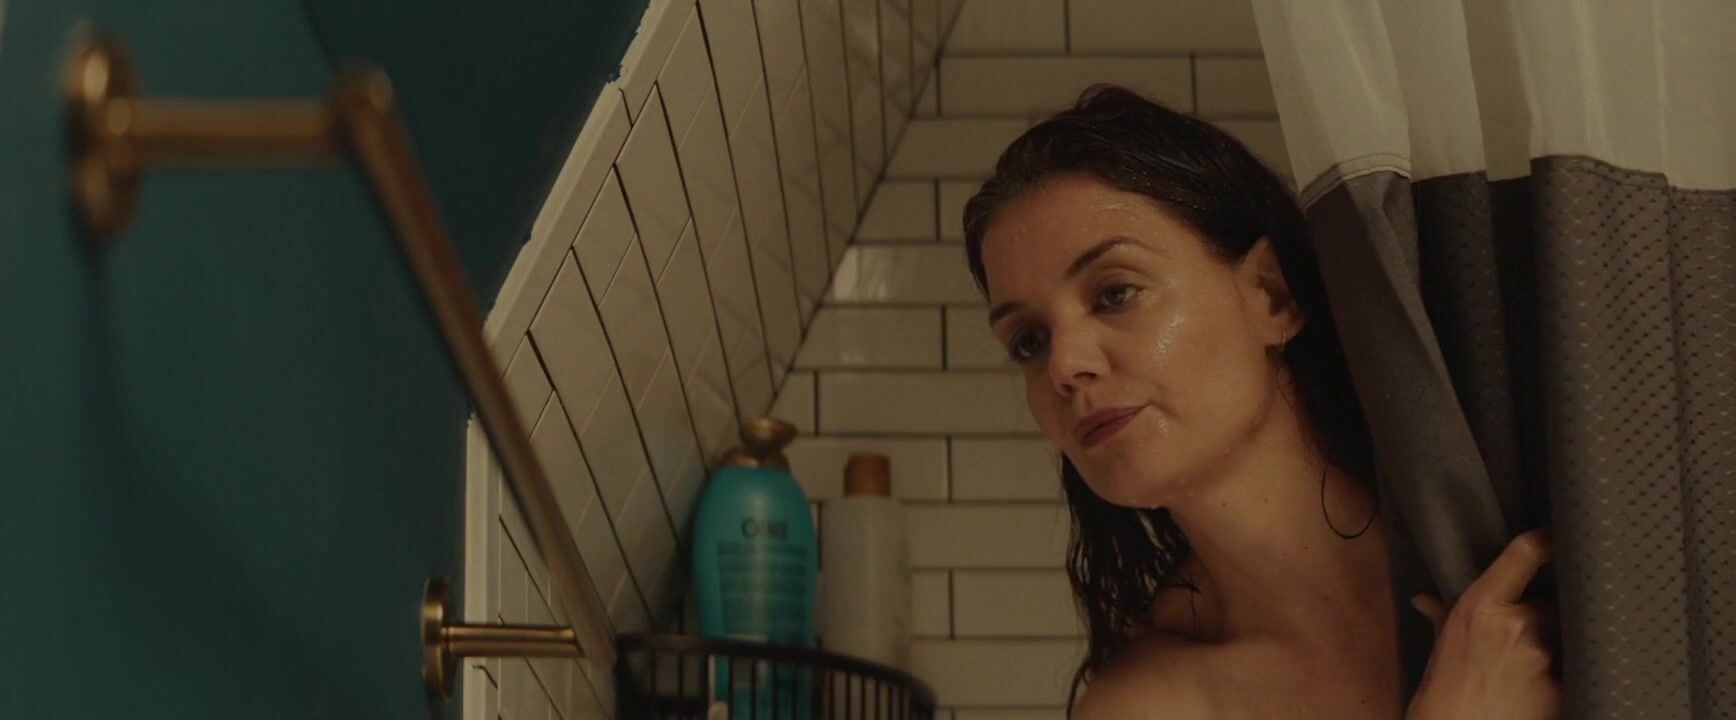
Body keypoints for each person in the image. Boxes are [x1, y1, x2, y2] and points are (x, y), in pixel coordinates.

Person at [961, 85, 1560, 718]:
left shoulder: (1517, 514)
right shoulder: (1148, 706)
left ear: (1270, 293)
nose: (1063, 365)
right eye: (1029, 340)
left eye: (1115, 293)